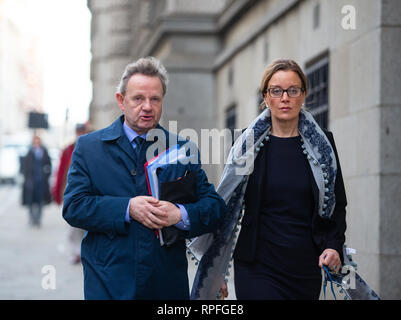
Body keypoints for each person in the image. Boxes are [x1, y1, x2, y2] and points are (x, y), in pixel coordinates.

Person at [62, 56, 227, 300]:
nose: (147, 106)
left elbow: (214, 208)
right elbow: (74, 207)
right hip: (108, 284)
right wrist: (128, 208)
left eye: (154, 99)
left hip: (165, 285)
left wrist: (180, 214)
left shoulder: (182, 149)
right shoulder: (89, 148)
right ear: (121, 100)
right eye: (138, 98)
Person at [190, 59, 347, 300]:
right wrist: (215, 271)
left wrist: (333, 246)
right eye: (276, 91)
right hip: (256, 267)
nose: (285, 98)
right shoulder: (247, 144)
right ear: (266, 97)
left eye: (293, 90)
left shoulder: (323, 146)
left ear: (303, 94)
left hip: (305, 267)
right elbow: (226, 203)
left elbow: (338, 206)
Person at [52, 123, 90, 264]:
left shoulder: (93, 146)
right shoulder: (68, 149)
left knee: (86, 226)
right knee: (73, 226)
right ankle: (76, 253)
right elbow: (61, 171)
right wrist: (57, 192)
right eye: (79, 132)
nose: (80, 134)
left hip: (88, 191)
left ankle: (84, 252)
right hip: (71, 192)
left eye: (83, 131)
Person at [21, 135, 52, 227]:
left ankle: (38, 219)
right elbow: (25, 167)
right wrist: (27, 179)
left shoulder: (44, 151)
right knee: (31, 201)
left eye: (38, 141)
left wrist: (46, 175)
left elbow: (49, 165)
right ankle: (32, 218)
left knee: (40, 200)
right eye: (35, 141)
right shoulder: (29, 152)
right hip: (31, 180)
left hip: (41, 180)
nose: (36, 143)